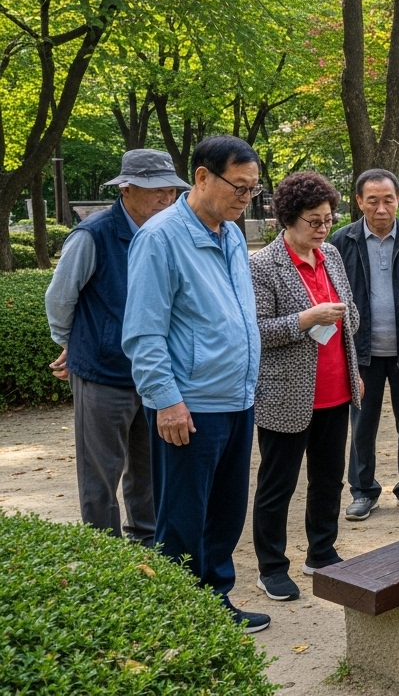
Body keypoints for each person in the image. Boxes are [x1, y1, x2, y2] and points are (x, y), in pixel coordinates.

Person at [121, 135, 268, 632]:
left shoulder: (230, 234)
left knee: (225, 513)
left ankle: (215, 601)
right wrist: (166, 402)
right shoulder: (161, 238)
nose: (246, 198)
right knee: (183, 519)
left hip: (236, 398)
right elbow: (144, 332)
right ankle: (178, 615)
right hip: (189, 405)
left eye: (253, 190)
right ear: (202, 177)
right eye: (239, 187)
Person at [45, 149, 186, 547]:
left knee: (149, 470)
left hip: (154, 375)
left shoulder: (168, 233)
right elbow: (59, 298)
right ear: (126, 189)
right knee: (101, 473)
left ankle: (146, 543)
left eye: (171, 189)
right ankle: (104, 552)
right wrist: (71, 344)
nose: (166, 197)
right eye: (155, 189)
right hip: (103, 375)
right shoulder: (93, 234)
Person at [248, 172, 361, 602]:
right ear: (289, 218)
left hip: (336, 388)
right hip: (286, 393)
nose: (322, 228)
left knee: (329, 479)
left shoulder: (331, 254)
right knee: (278, 484)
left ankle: (322, 550)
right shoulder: (262, 265)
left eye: (328, 219)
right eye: (314, 220)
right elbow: (256, 331)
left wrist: (347, 328)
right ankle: (271, 567)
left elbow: (349, 313)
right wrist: (306, 319)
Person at [329, 169, 399, 519]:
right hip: (361, 351)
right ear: (359, 201)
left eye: (388, 199)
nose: (381, 208)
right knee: (362, 425)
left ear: (398, 199)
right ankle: (363, 490)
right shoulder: (341, 242)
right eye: (372, 200)